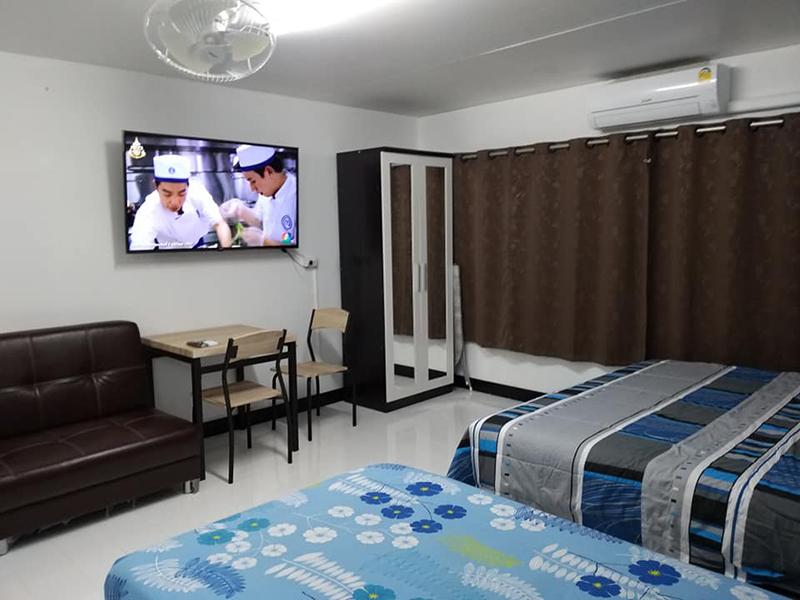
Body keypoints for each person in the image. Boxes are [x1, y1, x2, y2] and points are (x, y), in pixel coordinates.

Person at [129, 155, 232, 251]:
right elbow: (139, 247)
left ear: (188, 186)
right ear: (156, 187)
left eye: (181, 193)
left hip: (197, 243)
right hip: (169, 253)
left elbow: (220, 224)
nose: (175, 202)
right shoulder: (148, 211)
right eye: (167, 194)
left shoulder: (197, 192)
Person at [219, 145, 297, 246]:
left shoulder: (298, 194)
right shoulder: (266, 192)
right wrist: (241, 210)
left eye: (253, 181)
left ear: (268, 171)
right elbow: (259, 221)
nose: (252, 188)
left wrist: (263, 241)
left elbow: (301, 249)